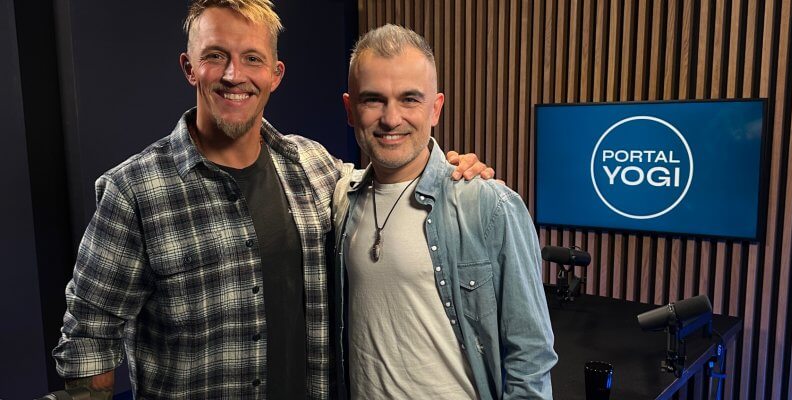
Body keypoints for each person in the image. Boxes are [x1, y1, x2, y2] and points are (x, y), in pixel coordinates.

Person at [51, 1, 490, 399]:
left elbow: (391, 179)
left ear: (275, 74)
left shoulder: (315, 167)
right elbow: (89, 334)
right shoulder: (134, 192)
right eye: (215, 55)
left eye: (252, 58)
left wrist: (451, 170)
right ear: (189, 67)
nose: (233, 75)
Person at [332, 24, 557, 400]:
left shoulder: (488, 205)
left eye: (409, 99)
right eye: (373, 100)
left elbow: (531, 358)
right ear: (350, 109)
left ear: (435, 108)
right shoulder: (342, 198)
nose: (391, 118)